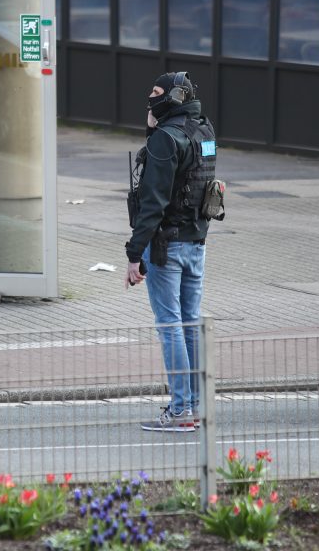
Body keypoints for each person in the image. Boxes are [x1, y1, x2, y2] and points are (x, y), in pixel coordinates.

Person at [125, 71, 218, 432]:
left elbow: (154, 201)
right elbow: (187, 176)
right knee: (190, 323)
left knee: (170, 326)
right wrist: (152, 130)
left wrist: (135, 254)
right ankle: (194, 406)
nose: (150, 98)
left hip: (166, 245)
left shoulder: (166, 138)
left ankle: (180, 410)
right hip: (197, 241)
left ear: (174, 97)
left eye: (156, 92)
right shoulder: (205, 131)